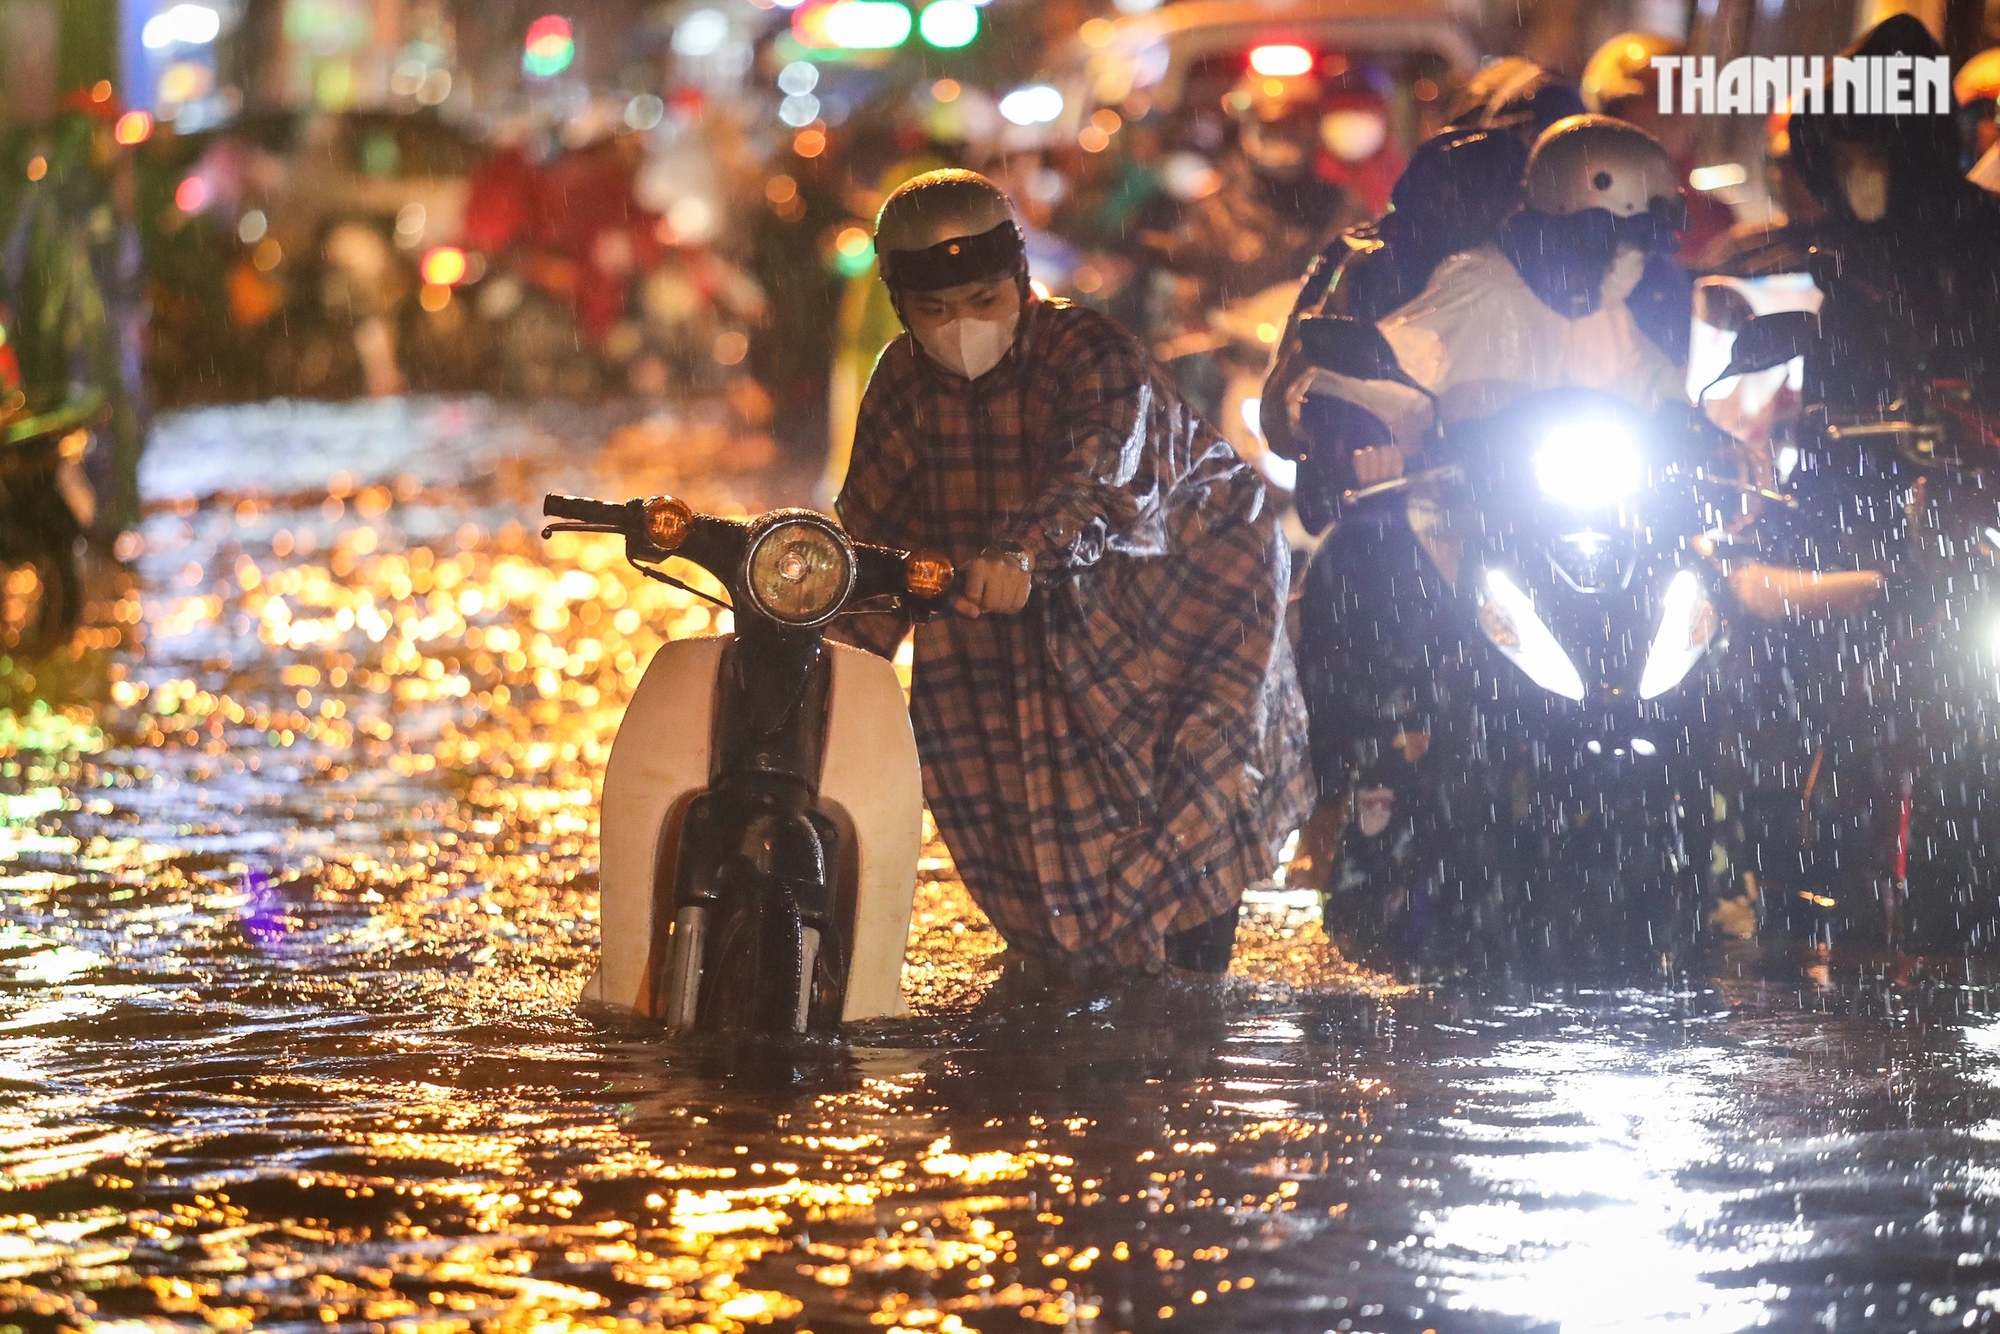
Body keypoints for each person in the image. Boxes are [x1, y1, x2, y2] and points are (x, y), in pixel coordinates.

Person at [834, 169, 1313, 975]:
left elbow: (1095, 474)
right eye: (936, 311)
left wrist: (1023, 553)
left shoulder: (1088, 352)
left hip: (1178, 595)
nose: (962, 327)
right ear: (904, 309)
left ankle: (1182, 1012)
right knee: (997, 806)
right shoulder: (899, 383)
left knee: (1189, 792)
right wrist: (829, 649)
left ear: (1018, 285)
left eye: (984, 301)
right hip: (997, 617)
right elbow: (872, 537)